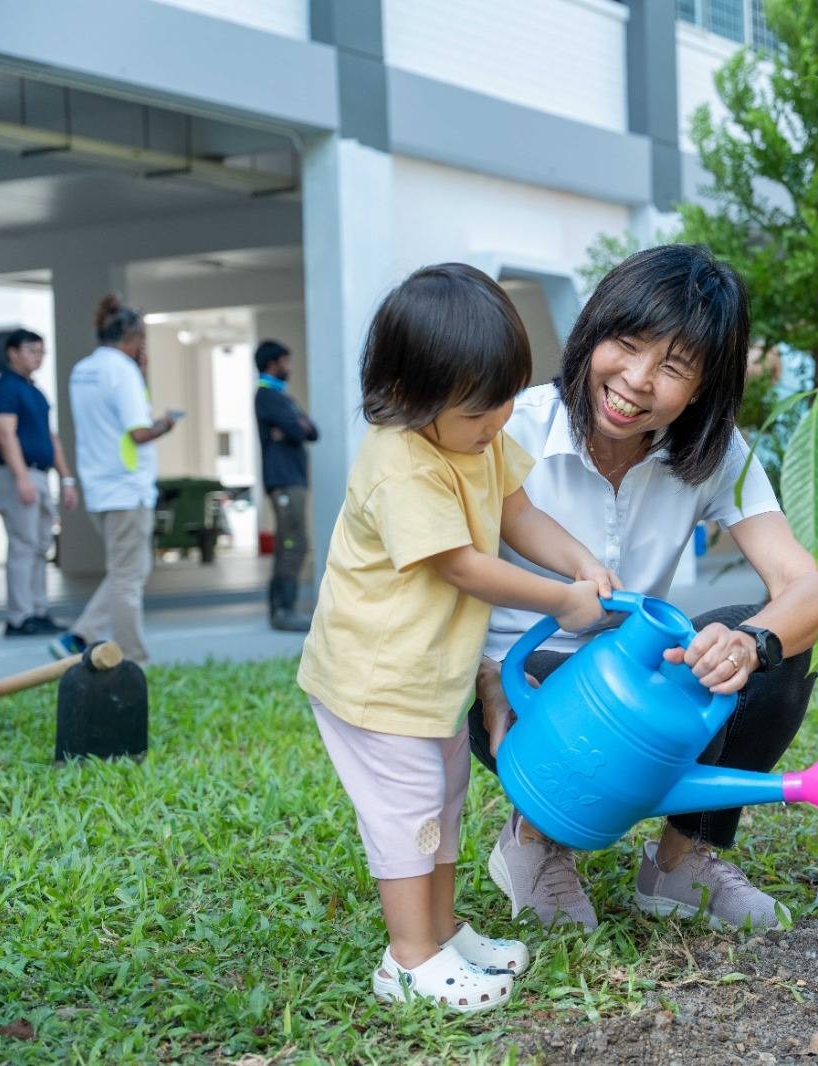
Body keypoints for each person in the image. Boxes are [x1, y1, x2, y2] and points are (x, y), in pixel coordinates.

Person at [469, 245, 818, 933]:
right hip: (511, 684)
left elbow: (806, 585)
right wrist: (484, 674)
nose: (636, 381)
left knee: (770, 644)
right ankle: (535, 843)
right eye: (627, 345)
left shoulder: (713, 451)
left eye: (673, 367)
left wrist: (751, 644)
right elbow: (441, 569)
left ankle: (678, 862)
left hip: (630, 677)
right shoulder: (506, 427)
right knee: (580, 681)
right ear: (592, 333)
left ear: (703, 386)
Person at [297, 263, 617, 1013]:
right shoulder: (400, 462)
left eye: (507, 398)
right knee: (407, 810)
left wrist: (580, 560)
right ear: (411, 398)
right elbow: (463, 566)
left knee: (442, 799)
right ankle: (408, 960)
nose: (499, 420)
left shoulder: (476, 438)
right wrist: (561, 600)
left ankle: (440, 935)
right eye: (481, 410)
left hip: (431, 674)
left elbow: (517, 513)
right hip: (376, 679)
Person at [49, 298, 179, 662]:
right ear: (133, 337)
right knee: (128, 577)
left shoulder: (82, 370)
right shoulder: (122, 371)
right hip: (127, 485)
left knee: (130, 569)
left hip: (98, 484)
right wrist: (166, 424)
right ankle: (133, 656)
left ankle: (80, 635)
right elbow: (138, 432)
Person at [0, 329, 78, 635]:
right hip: (18, 475)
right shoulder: (5, 389)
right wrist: (21, 476)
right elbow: (4, 433)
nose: (37, 357)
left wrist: (66, 477)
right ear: (12, 352)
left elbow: (51, 437)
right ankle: (20, 616)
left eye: (41, 351)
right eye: (31, 350)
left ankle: (38, 610)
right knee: (24, 546)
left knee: (41, 545)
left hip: (40, 474)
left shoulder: (36, 391)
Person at [253, 339, 318, 631]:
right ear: (272, 364)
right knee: (293, 543)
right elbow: (298, 427)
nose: (289, 368)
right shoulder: (267, 396)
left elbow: (311, 431)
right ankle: (284, 611)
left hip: (294, 478)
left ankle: (283, 609)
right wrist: (294, 425)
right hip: (283, 480)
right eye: (285, 362)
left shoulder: (283, 398)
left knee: (292, 542)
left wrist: (295, 426)